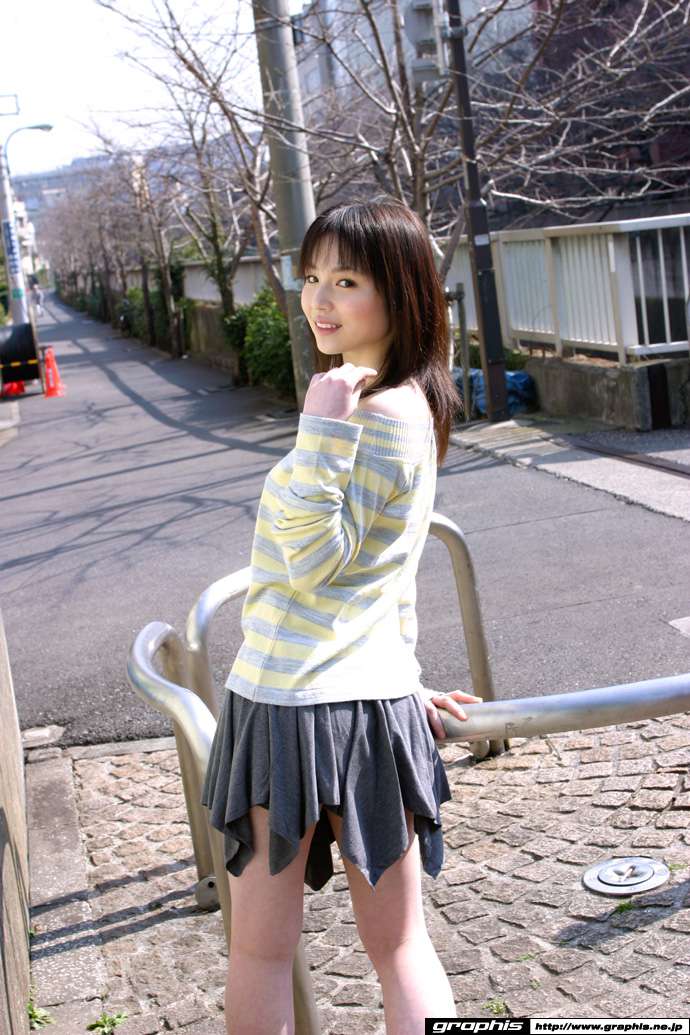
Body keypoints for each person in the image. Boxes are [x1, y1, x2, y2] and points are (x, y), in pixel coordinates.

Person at [201, 197, 482, 1035]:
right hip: (359, 701)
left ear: (401, 291)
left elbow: (316, 563)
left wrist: (318, 432)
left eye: (347, 281)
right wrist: (404, 678)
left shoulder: (372, 413)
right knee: (397, 946)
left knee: (266, 952)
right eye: (312, 276)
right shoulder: (406, 402)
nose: (319, 300)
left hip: (291, 702)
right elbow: (385, 577)